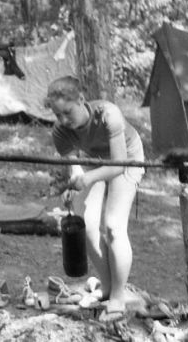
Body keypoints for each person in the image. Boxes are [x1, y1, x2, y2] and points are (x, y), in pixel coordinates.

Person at [45, 75, 144, 322]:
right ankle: (107, 287)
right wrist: (74, 182)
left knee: (113, 226)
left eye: (68, 112)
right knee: (85, 225)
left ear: (81, 100)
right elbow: (75, 167)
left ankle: (118, 297)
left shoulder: (108, 114)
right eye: (58, 115)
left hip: (127, 159)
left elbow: (118, 165)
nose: (63, 120)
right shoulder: (60, 132)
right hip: (94, 161)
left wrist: (87, 178)